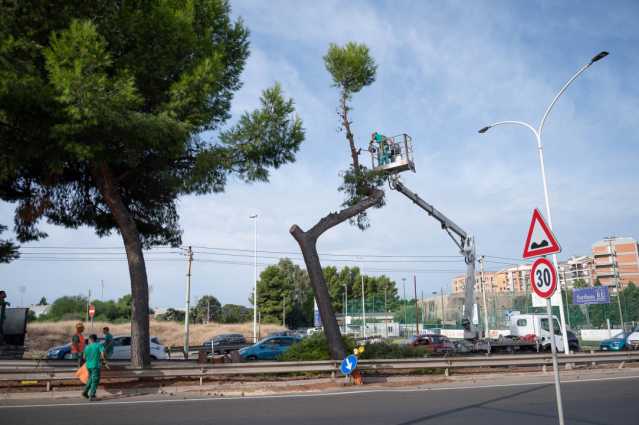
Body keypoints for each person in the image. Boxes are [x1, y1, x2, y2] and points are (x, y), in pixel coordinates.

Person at [82, 334, 106, 401]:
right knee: (95, 380)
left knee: (90, 379)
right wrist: (104, 360)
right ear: (96, 339)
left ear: (90, 339)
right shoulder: (99, 345)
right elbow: (103, 353)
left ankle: (85, 392)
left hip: (88, 366)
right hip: (95, 365)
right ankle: (92, 395)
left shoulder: (87, 347)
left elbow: (84, 357)